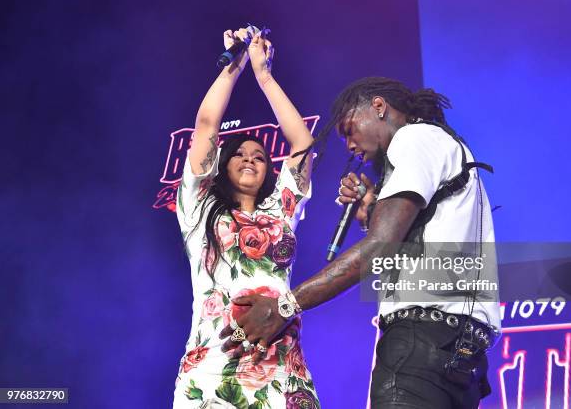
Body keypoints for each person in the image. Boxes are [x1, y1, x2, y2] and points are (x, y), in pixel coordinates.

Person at [225, 77, 501, 409]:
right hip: (463, 354)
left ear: (378, 107)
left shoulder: (413, 139)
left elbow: (378, 248)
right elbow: (413, 239)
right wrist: (372, 208)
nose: (349, 145)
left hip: (421, 345)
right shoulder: (443, 144)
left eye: (348, 129)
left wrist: (284, 306)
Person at [172, 27, 319, 409]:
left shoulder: (281, 210)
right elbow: (206, 126)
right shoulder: (200, 207)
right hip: (213, 371)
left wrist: (265, 75)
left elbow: (302, 144)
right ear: (222, 165)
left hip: (283, 371)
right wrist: (234, 66)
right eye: (240, 153)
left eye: (259, 155)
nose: (251, 157)